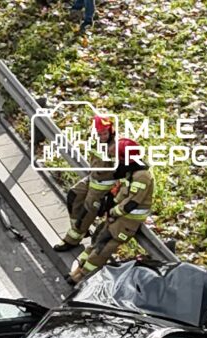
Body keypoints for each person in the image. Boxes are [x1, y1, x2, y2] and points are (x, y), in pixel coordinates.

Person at [68, 139, 154, 285]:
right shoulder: (131, 172)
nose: (116, 161)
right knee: (97, 241)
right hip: (118, 218)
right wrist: (110, 209)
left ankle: (83, 277)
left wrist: (113, 212)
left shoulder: (142, 176)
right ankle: (78, 270)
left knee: (104, 248)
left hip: (127, 222)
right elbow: (122, 194)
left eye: (118, 157)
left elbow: (131, 203)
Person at [54, 115, 117, 251]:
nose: (103, 136)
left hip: (103, 185)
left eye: (105, 133)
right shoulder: (96, 140)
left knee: (86, 212)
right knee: (73, 195)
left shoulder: (117, 147)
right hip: (92, 178)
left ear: (111, 130)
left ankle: (72, 240)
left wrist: (112, 194)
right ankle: (81, 229)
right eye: (99, 134)